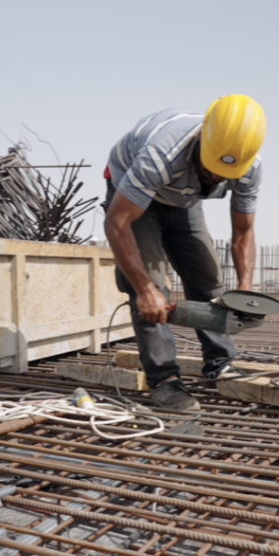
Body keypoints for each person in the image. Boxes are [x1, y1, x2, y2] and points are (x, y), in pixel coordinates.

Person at [103, 95, 265, 411]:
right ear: (202, 140)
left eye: (225, 173)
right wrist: (144, 290)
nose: (217, 177)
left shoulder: (249, 167)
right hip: (134, 193)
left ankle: (220, 363)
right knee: (152, 290)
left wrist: (244, 291)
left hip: (182, 198)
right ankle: (164, 379)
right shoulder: (162, 154)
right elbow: (117, 223)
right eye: (212, 168)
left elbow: (243, 233)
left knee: (207, 280)